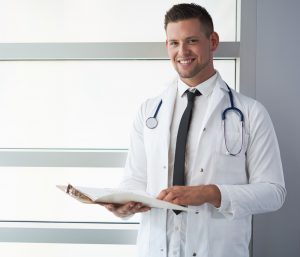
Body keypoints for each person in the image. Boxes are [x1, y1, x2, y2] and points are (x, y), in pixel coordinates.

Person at [102, 3, 286, 257]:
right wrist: (124, 206)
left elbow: (274, 192)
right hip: (156, 248)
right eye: (173, 43)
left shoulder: (250, 113)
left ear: (213, 41)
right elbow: (135, 180)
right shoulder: (149, 112)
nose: (182, 51)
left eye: (191, 41)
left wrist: (211, 193)